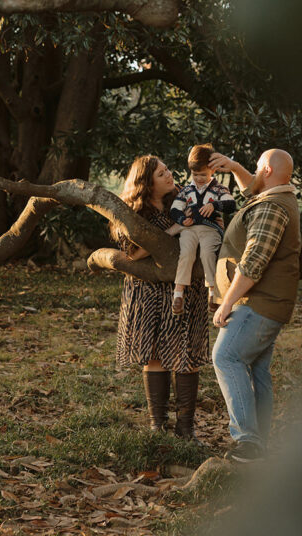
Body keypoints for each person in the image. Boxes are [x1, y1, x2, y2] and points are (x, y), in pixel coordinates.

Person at [208, 148, 301, 463]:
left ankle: (248, 443)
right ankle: (257, 446)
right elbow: (252, 186)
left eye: (258, 169)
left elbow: (254, 263)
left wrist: (226, 304)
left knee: (226, 357)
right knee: (257, 369)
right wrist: (234, 167)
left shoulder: (272, 208)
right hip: (266, 302)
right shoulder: (273, 196)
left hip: (259, 303)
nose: (254, 174)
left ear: (268, 171)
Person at [112, 155, 210, 440]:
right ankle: (158, 425)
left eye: (168, 170)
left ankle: (185, 427)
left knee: (186, 354)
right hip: (148, 290)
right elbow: (132, 252)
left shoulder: (183, 201)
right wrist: (171, 231)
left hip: (184, 286)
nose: (169, 175)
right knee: (153, 354)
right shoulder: (132, 212)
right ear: (146, 183)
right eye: (161, 174)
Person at [169, 143, 237, 315]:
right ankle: (178, 293)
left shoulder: (218, 189)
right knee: (186, 253)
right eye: (195, 174)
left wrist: (215, 206)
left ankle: (213, 293)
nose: (199, 178)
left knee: (207, 254)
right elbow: (174, 209)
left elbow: (231, 204)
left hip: (210, 229)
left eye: (203, 174)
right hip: (189, 229)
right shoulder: (186, 190)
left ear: (212, 171)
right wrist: (182, 219)